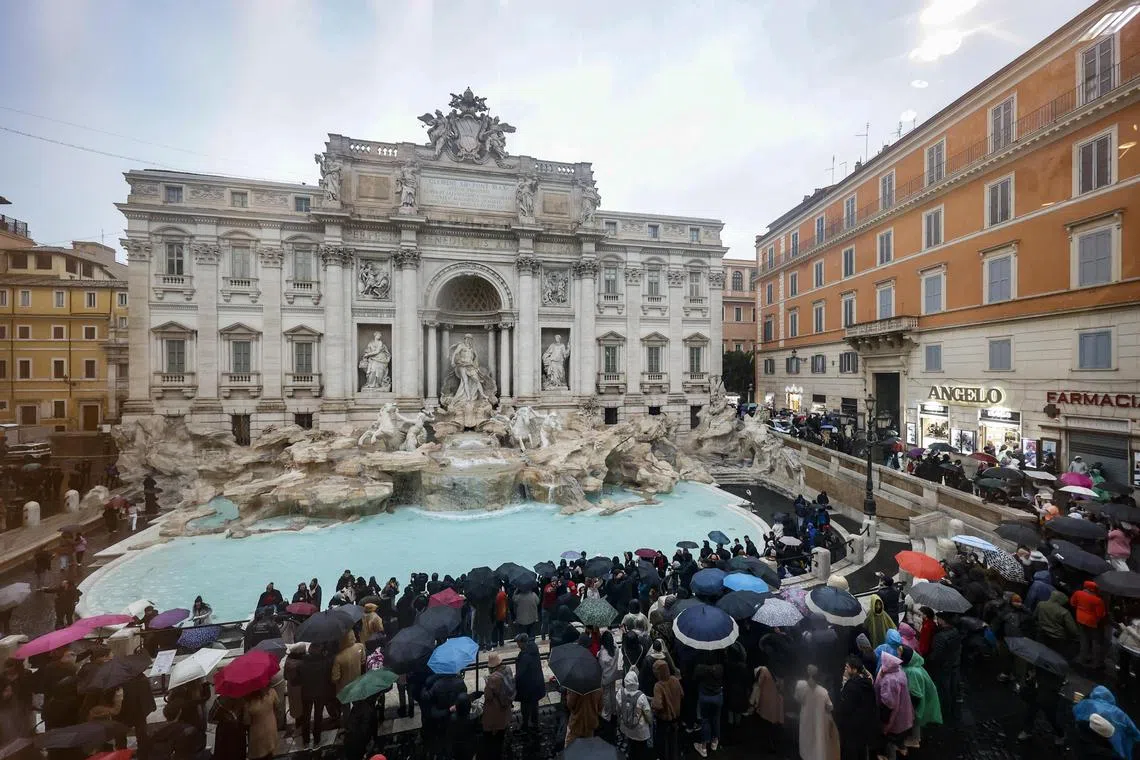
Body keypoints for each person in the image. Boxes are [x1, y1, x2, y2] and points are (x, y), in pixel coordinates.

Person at [835, 656, 877, 760]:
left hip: (852, 727)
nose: (845, 669)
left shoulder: (851, 686)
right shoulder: (866, 682)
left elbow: (845, 708)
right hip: (864, 725)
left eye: (847, 667)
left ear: (854, 670)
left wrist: (844, 686)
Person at [875, 652, 915, 760]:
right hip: (904, 712)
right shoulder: (899, 671)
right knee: (899, 736)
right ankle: (902, 749)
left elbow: (888, 703)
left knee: (889, 740)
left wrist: (884, 721)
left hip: (894, 716)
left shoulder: (889, 680)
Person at [899, 646, 940, 748]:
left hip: (918, 700)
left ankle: (915, 740)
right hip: (923, 697)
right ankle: (916, 737)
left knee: (916, 719)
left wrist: (912, 707)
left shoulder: (912, 672)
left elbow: (915, 693)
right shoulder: (915, 665)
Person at [925, 612, 962, 724]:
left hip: (943, 667)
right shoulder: (955, 631)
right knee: (952, 687)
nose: (937, 621)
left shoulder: (940, 637)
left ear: (943, 620)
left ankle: (945, 711)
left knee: (943, 689)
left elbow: (936, 655)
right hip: (954, 664)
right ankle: (952, 708)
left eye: (938, 619)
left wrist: (927, 660)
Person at [796, 664, 839, 760]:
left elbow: (797, 699)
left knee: (805, 742)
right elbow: (830, 707)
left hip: (805, 719)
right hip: (819, 722)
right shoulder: (823, 691)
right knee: (817, 745)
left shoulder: (800, 686)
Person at [481, 652, 513, 759]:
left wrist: (487, 682)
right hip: (506, 707)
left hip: (495, 711)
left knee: (492, 736)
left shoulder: (492, 679)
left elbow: (488, 696)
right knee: (501, 733)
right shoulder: (508, 670)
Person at [692, 652, 724, 758]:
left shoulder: (700, 668)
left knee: (705, 720)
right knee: (716, 718)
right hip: (718, 696)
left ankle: (704, 747)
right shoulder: (720, 668)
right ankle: (715, 742)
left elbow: (694, 679)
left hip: (704, 697)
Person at [1072, 580, 1108, 670]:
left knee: (1084, 640)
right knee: (1096, 642)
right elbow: (1100, 614)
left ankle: (1082, 659)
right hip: (1092, 623)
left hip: (1080, 619)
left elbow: (1073, 603)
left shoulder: (1078, 593)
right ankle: (1096, 663)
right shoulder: (1097, 600)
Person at [652, 657, 683, 760]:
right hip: (676, 719)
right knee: (674, 743)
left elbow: (658, 705)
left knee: (664, 745)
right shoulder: (675, 679)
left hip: (664, 721)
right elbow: (682, 694)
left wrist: (652, 705)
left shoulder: (658, 686)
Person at [618, 670, 653, 760]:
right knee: (641, 750)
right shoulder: (641, 696)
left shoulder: (620, 693)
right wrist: (650, 723)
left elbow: (618, 709)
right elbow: (647, 713)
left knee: (631, 746)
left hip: (626, 727)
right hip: (640, 730)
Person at [513, 634, 544, 734]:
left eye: (518, 643)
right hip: (536, 683)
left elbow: (520, 673)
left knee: (525, 706)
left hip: (527, 686)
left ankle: (525, 725)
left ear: (522, 642)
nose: (518, 645)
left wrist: (514, 680)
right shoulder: (533, 650)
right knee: (534, 704)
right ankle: (535, 724)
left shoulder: (526, 655)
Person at [1036, 588, 1079, 659]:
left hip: (1042, 634)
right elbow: (1073, 629)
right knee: (1055, 657)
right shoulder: (1064, 612)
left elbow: (1035, 616)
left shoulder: (1040, 604)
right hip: (1058, 639)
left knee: (1041, 655)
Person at [245, 688, 279, 760]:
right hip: (271, 730)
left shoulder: (249, 701)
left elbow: (246, 721)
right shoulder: (271, 692)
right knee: (270, 753)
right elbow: (277, 707)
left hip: (257, 735)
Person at [598, 629, 621, 732]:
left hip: (606, 677)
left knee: (606, 695)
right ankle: (614, 710)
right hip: (613, 675)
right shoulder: (616, 648)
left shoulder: (603, 653)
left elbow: (601, 666)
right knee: (612, 692)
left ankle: (607, 713)